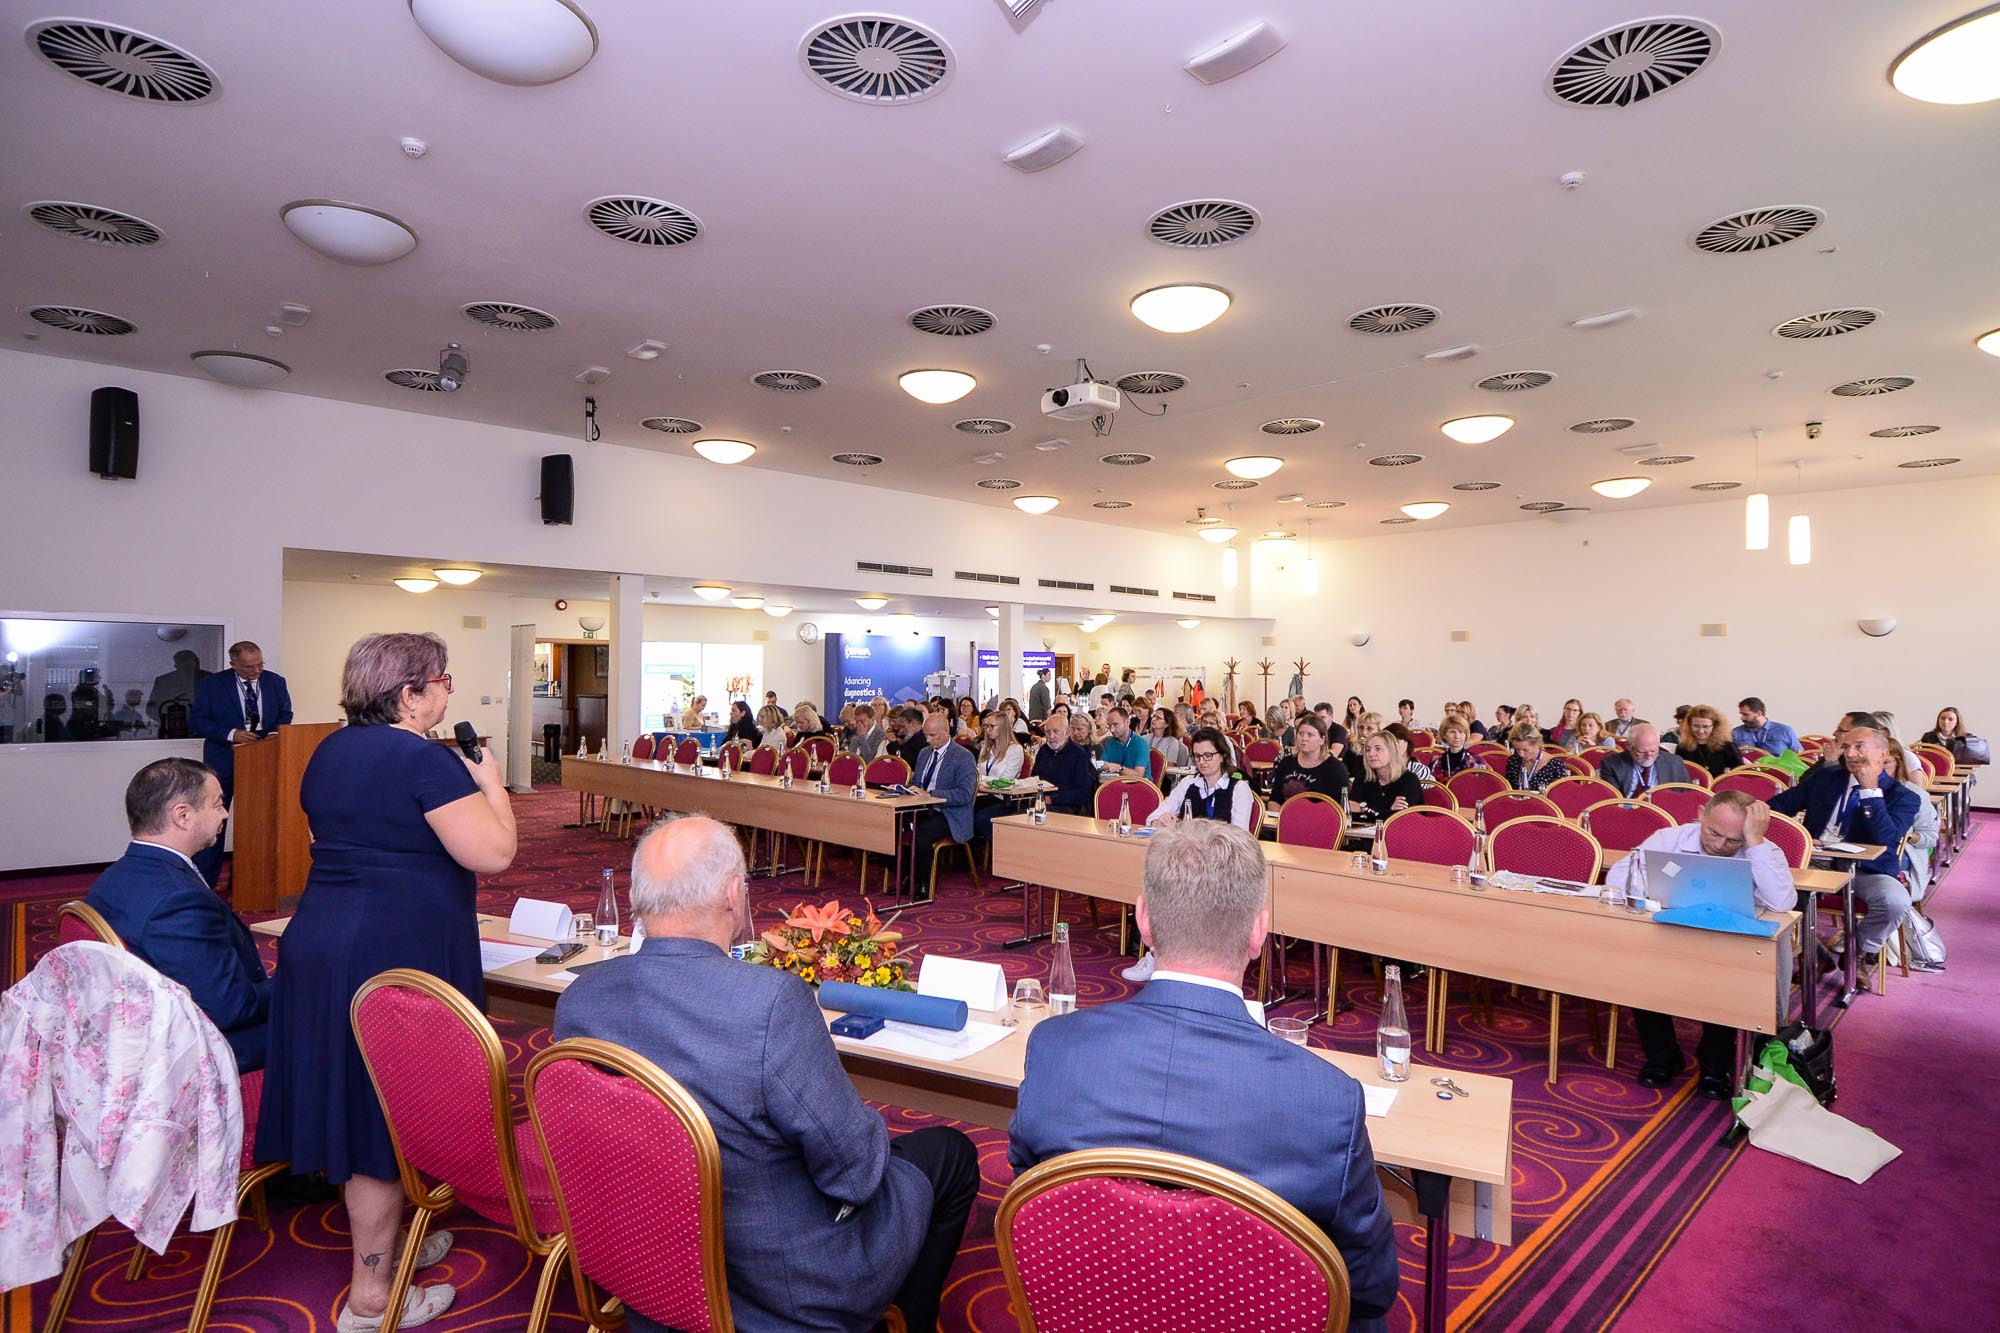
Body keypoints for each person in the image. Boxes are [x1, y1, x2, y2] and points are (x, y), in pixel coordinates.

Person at [555, 817, 975, 1333]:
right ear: (733, 894)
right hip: (780, 1288)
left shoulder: (581, 998)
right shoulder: (770, 1003)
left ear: (637, 897)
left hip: (646, 1262)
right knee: (949, 1154)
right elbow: (856, 1172)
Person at [1009, 820, 1400, 1331]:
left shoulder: (1055, 1049)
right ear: (1258, 932)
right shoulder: (1328, 1101)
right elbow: (1371, 1286)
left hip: (1092, 1305)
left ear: (1143, 920)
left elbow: (1032, 1201)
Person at [255, 633, 516, 1330]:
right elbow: (494, 851)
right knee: (380, 1114)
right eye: (443, 680)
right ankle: (371, 1299)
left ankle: (391, 1243)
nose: (448, 691)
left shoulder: (330, 749)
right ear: (409, 693)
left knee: (361, 1103)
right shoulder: (424, 760)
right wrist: (492, 785)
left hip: (322, 939)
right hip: (390, 954)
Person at [85, 757, 271, 1070]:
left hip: (141, 1029)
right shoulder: (178, 900)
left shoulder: (116, 875)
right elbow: (230, 1008)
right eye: (217, 804)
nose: (225, 814)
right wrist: (297, 983)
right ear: (183, 815)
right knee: (331, 1020)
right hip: (196, 1051)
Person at [1610, 791, 1793, 1097]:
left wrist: (1754, 842)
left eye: (1733, 840)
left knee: (1727, 984)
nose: (1720, 845)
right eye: (1713, 833)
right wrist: (1654, 893)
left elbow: (1782, 901)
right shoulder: (1669, 839)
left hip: (1729, 944)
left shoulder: (1765, 850)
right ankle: (1662, 1056)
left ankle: (1715, 1065)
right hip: (1671, 932)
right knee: (1639, 970)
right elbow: (1620, 877)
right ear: (1700, 815)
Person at [1769, 726, 1921, 970]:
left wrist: (1870, 792)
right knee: (1767, 886)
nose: (1850, 753)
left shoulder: (1904, 796)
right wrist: (1795, 834)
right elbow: (1779, 807)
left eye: (1859, 747)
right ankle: (1814, 953)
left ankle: (1857, 953)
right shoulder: (1826, 779)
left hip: (1866, 869)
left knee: (1895, 901)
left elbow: (1884, 838)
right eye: (1846, 747)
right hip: (1815, 861)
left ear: (1882, 754)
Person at [188, 640, 293, 887]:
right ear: (233, 664)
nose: (256, 671)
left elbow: (285, 713)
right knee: (214, 821)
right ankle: (205, 883)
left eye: (259, 665)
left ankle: (247, 881)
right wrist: (231, 734)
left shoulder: (276, 682)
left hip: (263, 759)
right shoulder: (213, 684)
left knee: (256, 823)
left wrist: (274, 733)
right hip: (223, 760)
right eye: (249, 667)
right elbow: (198, 720)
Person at [908, 710, 975, 888]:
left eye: (932, 735)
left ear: (946, 732)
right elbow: (917, 784)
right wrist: (905, 789)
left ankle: (924, 884)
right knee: (889, 826)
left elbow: (964, 794)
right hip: (921, 807)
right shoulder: (924, 753)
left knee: (921, 835)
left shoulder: (963, 756)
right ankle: (907, 876)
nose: (927, 740)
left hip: (949, 813)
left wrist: (932, 794)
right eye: (925, 735)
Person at [1268, 713, 1349, 804]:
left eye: (1310, 735)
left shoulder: (1336, 768)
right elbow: (1274, 800)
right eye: (1301, 734)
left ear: (1322, 740)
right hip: (1286, 812)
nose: (1304, 738)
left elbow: (1338, 806)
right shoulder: (1286, 762)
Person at [1348, 733, 1423, 822]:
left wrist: (1363, 808)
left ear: (1392, 752)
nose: (1371, 754)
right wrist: (1388, 809)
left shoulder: (1409, 780)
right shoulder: (1363, 777)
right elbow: (1351, 812)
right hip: (1365, 830)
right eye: (1368, 750)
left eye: (1378, 749)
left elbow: (1400, 818)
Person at [1034, 709, 1097, 815]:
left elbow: (1083, 793)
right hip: (1040, 801)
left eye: (1055, 731)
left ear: (1067, 732)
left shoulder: (1078, 755)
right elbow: (1035, 778)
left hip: (1066, 807)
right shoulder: (1044, 751)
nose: (1051, 736)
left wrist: (1053, 799)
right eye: (1048, 732)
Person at [1600, 724, 1690, 797]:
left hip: (1666, 810)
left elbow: (1687, 796)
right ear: (1629, 746)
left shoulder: (1674, 763)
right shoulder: (1612, 764)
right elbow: (1613, 800)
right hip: (1629, 811)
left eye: (1653, 751)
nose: (1648, 756)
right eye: (1641, 752)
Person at [147, 648, 207, 734]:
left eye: (190, 663)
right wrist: (170, 723)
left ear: (198, 663)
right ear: (177, 666)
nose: (188, 668)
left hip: (204, 733)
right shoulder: (164, 682)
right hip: (172, 734)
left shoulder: (210, 679)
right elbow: (151, 709)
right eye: (184, 665)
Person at [1675, 705, 1742, 776]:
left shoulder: (1728, 746)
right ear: (1689, 725)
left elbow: (1739, 773)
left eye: (1706, 727)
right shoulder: (1682, 747)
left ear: (1715, 726)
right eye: (1696, 726)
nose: (1701, 731)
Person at [1502, 722, 1567, 793]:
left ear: (1537, 744)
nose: (1521, 754)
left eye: (1525, 750)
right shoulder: (1513, 760)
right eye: (1517, 749)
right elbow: (1508, 789)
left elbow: (1561, 794)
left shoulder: (1555, 765)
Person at [1096, 705, 1151, 780]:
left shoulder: (1141, 743)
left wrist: (1118, 768)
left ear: (1127, 722)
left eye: (1115, 725)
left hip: (1139, 784)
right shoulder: (1110, 742)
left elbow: (1138, 775)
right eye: (1109, 726)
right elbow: (1103, 766)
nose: (1112, 730)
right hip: (1115, 783)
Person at [1732, 697, 1801, 755]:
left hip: (1777, 767)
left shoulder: (1785, 731)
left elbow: (1798, 755)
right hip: (1748, 767)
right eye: (1741, 714)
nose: (1742, 718)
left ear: (1759, 713)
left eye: (1746, 714)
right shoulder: (1736, 733)